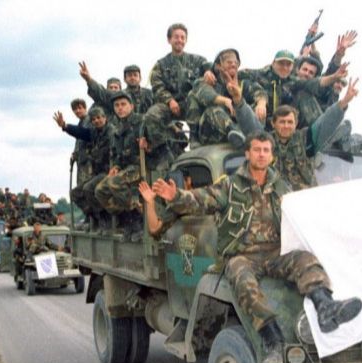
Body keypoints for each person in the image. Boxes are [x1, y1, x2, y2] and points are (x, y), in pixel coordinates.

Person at [152, 132, 362, 363]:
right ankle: (272, 340)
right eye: (257, 150)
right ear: (248, 153)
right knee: (243, 281)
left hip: (274, 253)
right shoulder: (230, 186)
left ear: (271, 156)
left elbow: (303, 211)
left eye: (265, 150)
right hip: (242, 255)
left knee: (306, 260)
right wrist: (176, 195)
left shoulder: (281, 187)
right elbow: (202, 198)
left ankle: (325, 306)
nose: (261, 155)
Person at [236, 75, 361, 191]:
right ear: (273, 124)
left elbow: (325, 123)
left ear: (296, 124)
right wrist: (239, 102)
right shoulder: (266, 143)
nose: (286, 126)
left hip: (305, 198)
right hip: (277, 199)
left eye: (290, 122)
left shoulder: (306, 139)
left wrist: (344, 102)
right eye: (282, 122)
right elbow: (250, 124)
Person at [145, 23, 212, 156]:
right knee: (152, 115)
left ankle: (195, 139)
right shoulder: (160, 64)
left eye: (183, 37)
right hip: (170, 105)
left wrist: (209, 71)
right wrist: (169, 100)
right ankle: (164, 149)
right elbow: (157, 86)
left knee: (196, 101)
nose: (179, 40)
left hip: (192, 105)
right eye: (176, 37)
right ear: (169, 40)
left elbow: (210, 66)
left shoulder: (197, 60)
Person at [185, 48, 267, 147]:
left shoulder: (242, 83)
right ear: (218, 66)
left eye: (236, 63)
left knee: (256, 108)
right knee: (213, 110)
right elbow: (204, 93)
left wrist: (261, 104)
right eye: (229, 62)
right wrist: (223, 100)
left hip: (239, 124)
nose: (233, 65)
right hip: (212, 130)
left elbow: (259, 91)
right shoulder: (209, 81)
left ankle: (257, 138)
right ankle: (235, 133)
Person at [94, 91, 146, 241]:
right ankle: (127, 217)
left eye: (123, 104)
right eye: (116, 105)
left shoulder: (142, 122)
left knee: (114, 183)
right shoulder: (117, 129)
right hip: (126, 169)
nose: (120, 108)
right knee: (100, 190)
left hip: (142, 166)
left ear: (131, 106)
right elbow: (117, 154)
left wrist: (148, 144)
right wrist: (116, 166)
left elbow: (158, 138)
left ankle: (137, 219)